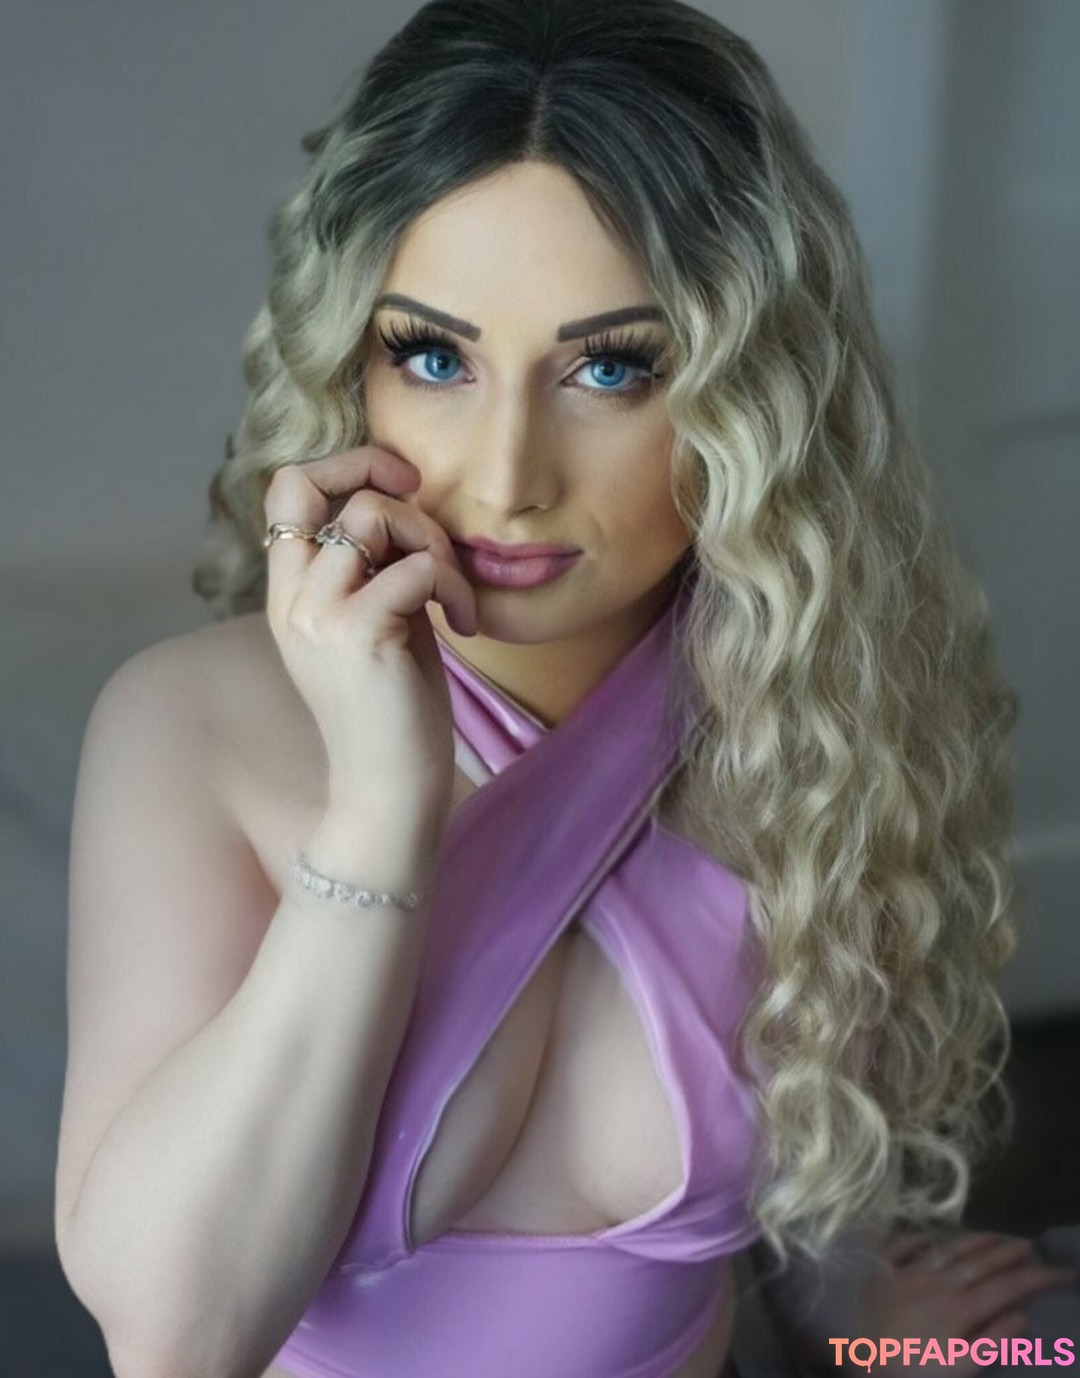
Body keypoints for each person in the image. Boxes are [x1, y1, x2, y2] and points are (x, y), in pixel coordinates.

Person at [52, 2, 1076, 1375]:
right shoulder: (190, 727)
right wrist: (383, 805)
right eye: (434, 357)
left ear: (751, 392)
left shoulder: (815, 722)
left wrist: (887, 1348)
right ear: (351, 367)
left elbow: (812, 1204)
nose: (508, 476)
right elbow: (174, 1337)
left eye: (610, 367)